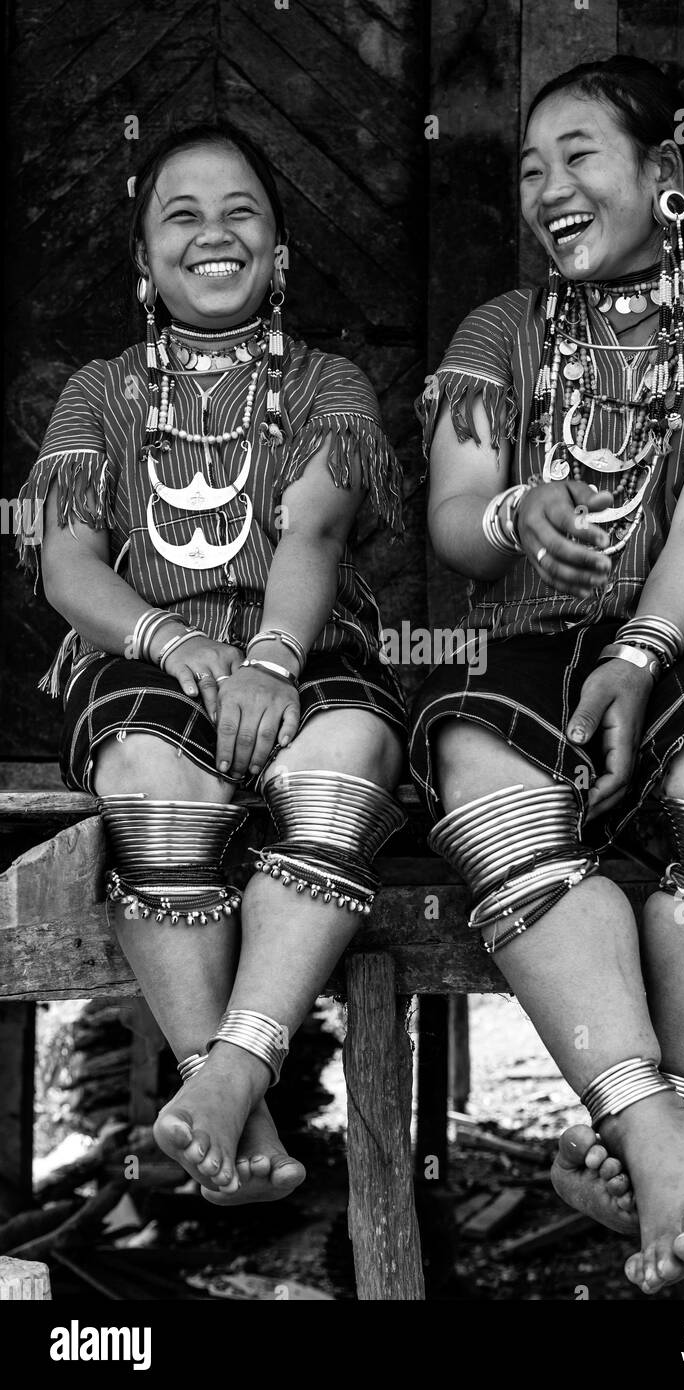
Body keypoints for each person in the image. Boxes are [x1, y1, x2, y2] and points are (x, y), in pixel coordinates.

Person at [410, 56, 684, 1293]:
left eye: (580, 154)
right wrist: (507, 515)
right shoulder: (497, 334)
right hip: (540, 653)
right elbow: (450, 512)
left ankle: (632, 1141)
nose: (549, 184)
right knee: (477, 758)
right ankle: (657, 1137)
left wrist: (645, 654)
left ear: (661, 177)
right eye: (532, 167)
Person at [16, 123, 407, 1205]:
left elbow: (314, 532)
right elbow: (66, 563)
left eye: (241, 212)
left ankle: (227, 1075)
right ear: (144, 264)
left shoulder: (331, 385)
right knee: (151, 778)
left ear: (280, 254)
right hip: (145, 657)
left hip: (309, 652)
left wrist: (272, 659)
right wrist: (181, 641)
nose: (213, 233)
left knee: (349, 755)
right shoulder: (97, 394)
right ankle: (239, 1108)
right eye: (179, 216)